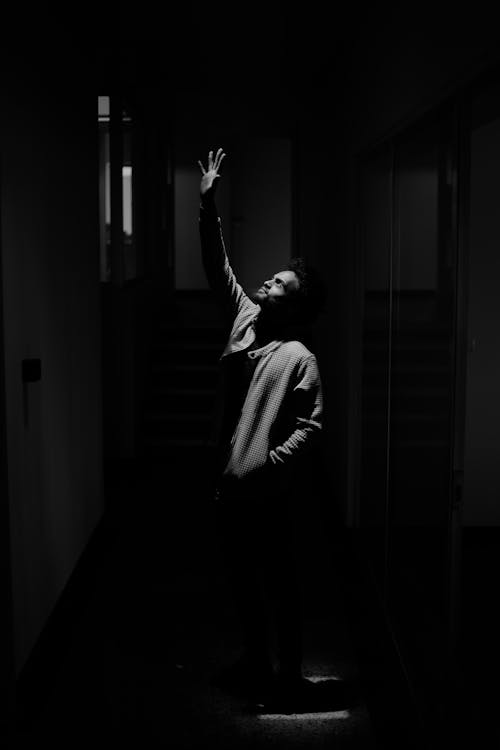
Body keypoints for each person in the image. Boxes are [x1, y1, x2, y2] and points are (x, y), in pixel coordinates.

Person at [198, 147, 326, 709]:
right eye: (270, 279)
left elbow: (312, 425)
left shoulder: (299, 355)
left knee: (280, 582)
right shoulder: (245, 318)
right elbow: (216, 265)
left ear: (292, 306)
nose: (265, 284)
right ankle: (255, 659)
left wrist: (269, 464)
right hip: (228, 479)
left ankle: (289, 674)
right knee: (242, 581)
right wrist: (208, 205)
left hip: (265, 491)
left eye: (278, 284)